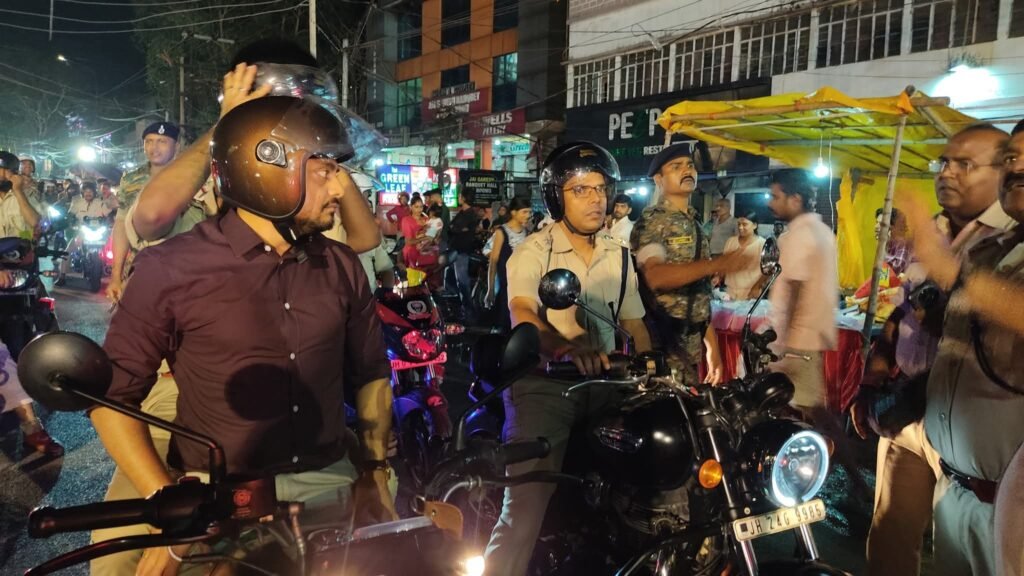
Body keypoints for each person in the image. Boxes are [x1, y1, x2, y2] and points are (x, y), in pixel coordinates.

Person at [95, 96, 396, 576]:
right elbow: (113, 397)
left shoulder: (341, 265)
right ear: (269, 169)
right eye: (325, 171)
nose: (341, 187)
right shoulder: (171, 267)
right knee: (112, 565)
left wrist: (375, 471)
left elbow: (372, 373)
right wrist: (170, 501)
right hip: (214, 497)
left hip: (329, 488)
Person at [850, 124, 1016, 576]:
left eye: (965, 164)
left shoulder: (1007, 241)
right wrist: (873, 377)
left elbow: (993, 327)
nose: (947, 173)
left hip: (968, 425)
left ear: (1000, 172)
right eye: (944, 162)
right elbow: (901, 312)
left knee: (963, 544)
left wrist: (944, 300)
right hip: (908, 409)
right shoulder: (934, 231)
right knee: (890, 532)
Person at [485, 142, 652, 575]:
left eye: (600, 188)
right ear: (556, 197)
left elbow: (634, 324)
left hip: (608, 382)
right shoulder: (533, 251)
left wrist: (655, 367)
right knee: (525, 505)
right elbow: (523, 312)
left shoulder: (619, 254)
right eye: (581, 190)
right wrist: (564, 348)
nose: (596, 199)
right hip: (547, 385)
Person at [901, 123, 1024, 576]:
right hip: (955, 490)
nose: (1017, 168)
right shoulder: (990, 251)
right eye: (1012, 158)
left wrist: (950, 270)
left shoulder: (969, 263)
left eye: (965, 164)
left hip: (1010, 509)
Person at [632, 144, 746, 384]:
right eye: (676, 167)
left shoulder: (694, 223)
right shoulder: (652, 222)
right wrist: (715, 264)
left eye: (690, 165)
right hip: (661, 349)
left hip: (690, 350)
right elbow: (654, 276)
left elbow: (698, 293)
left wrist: (712, 347)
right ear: (659, 180)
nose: (687, 171)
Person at [0, 151, 63, 456]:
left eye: (2, 170)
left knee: (21, 344)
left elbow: (37, 224)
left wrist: (19, 191)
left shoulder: (25, 194)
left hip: (19, 277)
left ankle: (32, 424)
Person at [765, 169, 838, 409]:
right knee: (804, 407)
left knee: (804, 409)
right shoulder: (823, 231)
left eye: (775, 197)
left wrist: (782, 342)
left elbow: (794, 290)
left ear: (795, 200)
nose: (770, 203)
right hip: (808, 340)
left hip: (795, 343)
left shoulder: (800, 235)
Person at [107, 121, 180, 303]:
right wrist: (116, 276)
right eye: (149, 141)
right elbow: (121, 224)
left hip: (181, 268)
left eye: (162, 141)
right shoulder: (131, 179)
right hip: (139, 267)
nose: (154, 147)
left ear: (176, 146)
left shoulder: (189, 177)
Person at [484, 196, 531, 331]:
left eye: (529, 212)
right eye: (524, 212)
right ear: (514, 212)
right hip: (506, 288)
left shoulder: (527, 233)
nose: (528, 215)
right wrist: (490, 289)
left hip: (523, 288)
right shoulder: (501, 232)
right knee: (504, 324)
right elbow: (493, 262)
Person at [57, 181, 114, 285]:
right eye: (86, 191)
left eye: (90, 192)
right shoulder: (77, 202)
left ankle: (113, 271)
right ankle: (62, 276)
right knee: (67, 252)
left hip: (99, 232)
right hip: (82, 233)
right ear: (82, 193)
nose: (88, 194)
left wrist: (111, 219)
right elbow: (70, 214)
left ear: (94, 193)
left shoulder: (100, 202)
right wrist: (69, 220)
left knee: (112, 249)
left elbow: (108, 212)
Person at [721, 211, 766, 300]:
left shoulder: (762, 244)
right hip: (730, 291)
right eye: (739, 224)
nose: (740, 227)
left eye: (744, 224)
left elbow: (768, 271)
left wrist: (758, 286)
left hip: (751, 292)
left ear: (754, 225)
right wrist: (718, 276)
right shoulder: (731, 242)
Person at [449, 189, 481, 309]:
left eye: (460, 196)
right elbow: (452, 226)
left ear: (464, 198)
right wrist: (456, 228)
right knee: (452, 277)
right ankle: (458, 305)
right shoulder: (462, 212)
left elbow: (457, 228)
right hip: (455, 248)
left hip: (463, 249)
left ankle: (467, 308)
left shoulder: (469, 214)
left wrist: (456, 228)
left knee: (462, 280)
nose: (458, 197)